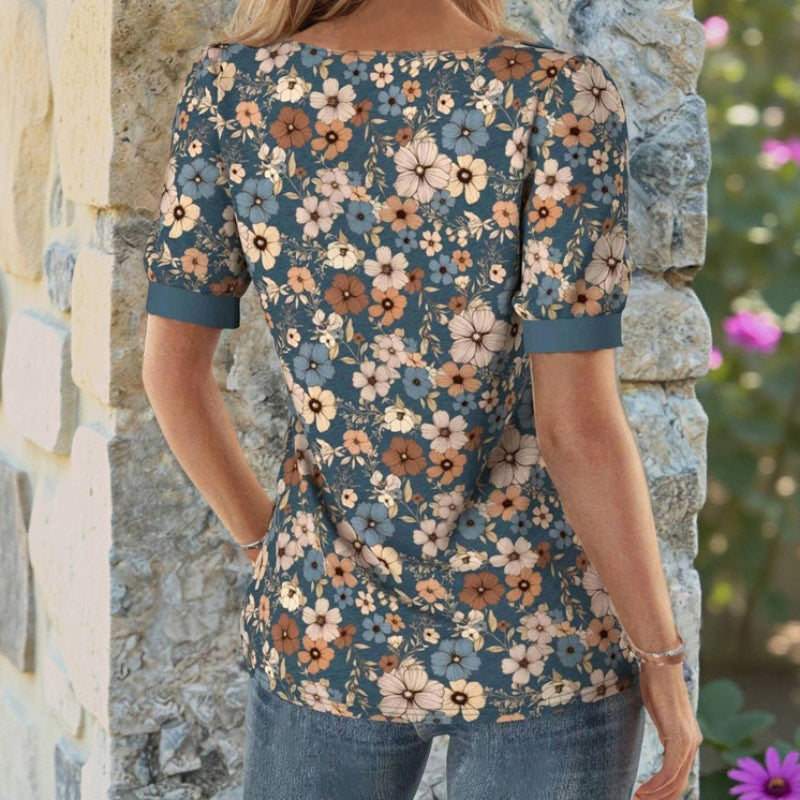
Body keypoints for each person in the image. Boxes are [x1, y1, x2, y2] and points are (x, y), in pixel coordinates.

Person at [140, 0, 703, 798]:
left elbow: (171, 377)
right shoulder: (556, 96)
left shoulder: (231, 88)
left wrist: (269, 546)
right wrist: (662, 660)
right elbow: (576, 431)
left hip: (325, 625)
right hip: (539, 633)